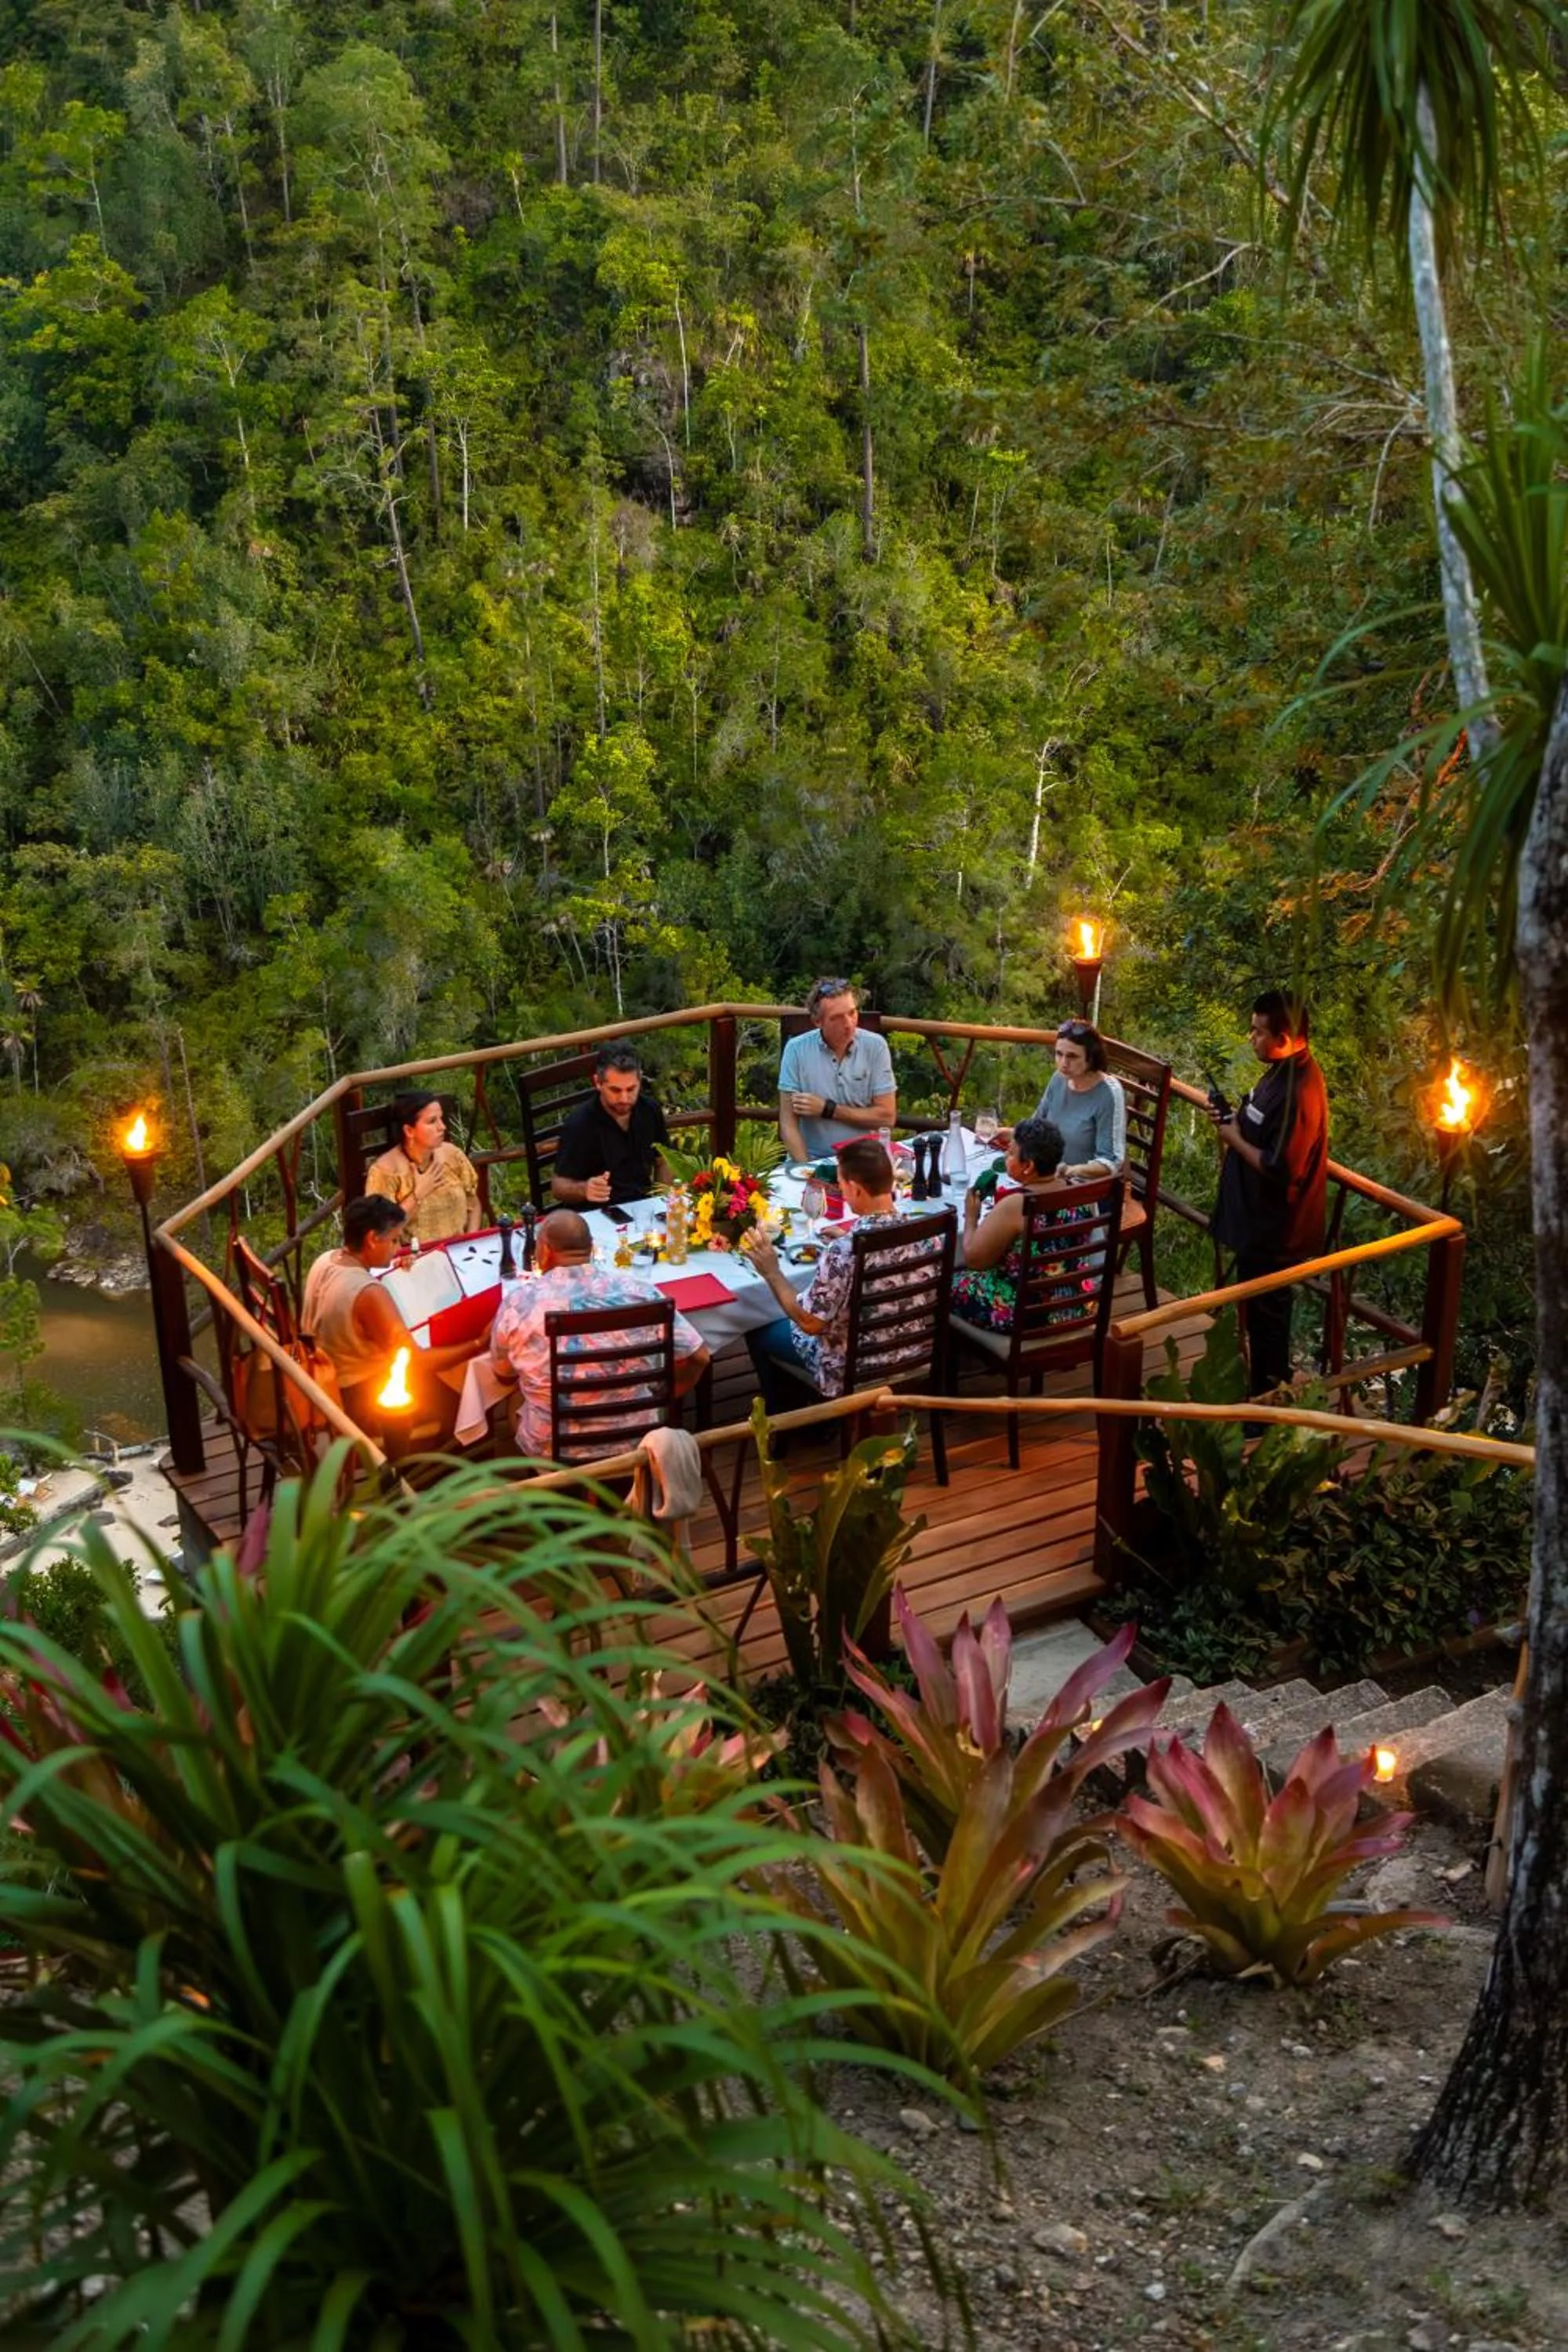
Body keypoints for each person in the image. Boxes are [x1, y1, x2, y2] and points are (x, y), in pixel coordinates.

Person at [488, 1208, 710, 1460]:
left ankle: (547, 1487)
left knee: (516, 1396)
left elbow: (502, 1374)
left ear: (545, 1250)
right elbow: (700, 1357)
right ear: (591, 1247)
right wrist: (668, 1394)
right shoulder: (641, 1293)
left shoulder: (519, 1303)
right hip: (639, 1439)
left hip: (555, 1449)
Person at [742, 1138, 930, 1410]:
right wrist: (849, 1238)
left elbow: (810, 1323)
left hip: (852, 1367)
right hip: (911, 1352)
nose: (840, 1192)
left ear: (855, 1188)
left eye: (841, 1186)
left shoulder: (845, 1251)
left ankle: (791, 1423)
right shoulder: (925, 1234)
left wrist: (772, 1272)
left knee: (759, 1330)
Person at [1207, 988, 1330, 1396]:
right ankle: (1257, 1391)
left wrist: (1232, 1137)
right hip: (1253, 1220)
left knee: (1269, 1321)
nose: (1252, 1038)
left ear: (1287, 1038)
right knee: (1256, 1315)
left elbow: (1284, 1168)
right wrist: (1232, 1120)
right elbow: (1259, 1123)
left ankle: (1266, 1405)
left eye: (1260, 1032)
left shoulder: (1301, 1090)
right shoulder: (1278, 1072)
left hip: (1276, 1230)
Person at [301, 1194, 483, 1436]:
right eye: (395, 1241)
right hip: (364, 1401)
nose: (399, 1249)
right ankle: (447, 1458)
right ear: (372, 1239)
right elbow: (415, 1360)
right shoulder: (368, 1293)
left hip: (326, 1380)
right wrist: (479, 1343)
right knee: (463, 1385)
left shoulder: (326, 1260)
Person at [950, 1116, 1094, 1330]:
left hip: (1028, 1315)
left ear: (1028, 1166)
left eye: (1011, 1153)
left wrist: (971, 1218)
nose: (1006, 1155)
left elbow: (974, 1259)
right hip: (1074, 1304)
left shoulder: (1017, 1206)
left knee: (947, 1279)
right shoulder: (1080, 1194)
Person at [777, 979, 896, 1161]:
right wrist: (806, 1169)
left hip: (864, 1159)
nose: (848, 1023)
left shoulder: (875, 1046)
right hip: (812, 1158)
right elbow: (788, 1124)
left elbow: (887, 1117)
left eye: (852, 1013)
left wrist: (829, 1109)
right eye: (837, 1017)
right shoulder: (796, 1050)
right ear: (818, 1021)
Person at [550, 1041, 672, 1206]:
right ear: (598, 1083)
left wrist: (662, 1201)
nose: (624, 1099)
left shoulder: (650, 1110)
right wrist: (584, 1189)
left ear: (640, 1081)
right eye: (615, 1090)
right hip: (597, 1213)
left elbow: (663, 1161)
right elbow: (558, 1187)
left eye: (631, 1089)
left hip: (642, 1208)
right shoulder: (580, 1124)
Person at [1007, 1018, 1126, 1178]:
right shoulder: (1059, 1078)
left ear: (1091, 1058)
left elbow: (1111, 1162)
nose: (1063, 1063)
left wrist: (1071, 1170)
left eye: (1072, 1056)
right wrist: (1007, 1134)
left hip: (1079, 1186)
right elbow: (1036, 1126)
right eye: (1059, 1054)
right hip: (1043, 1176)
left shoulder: (1108, 1093)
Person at [365, 1091, 481, 1245]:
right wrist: (417, 1195)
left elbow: (473, 1203)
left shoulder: (452, 1155)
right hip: (413, 1259)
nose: (442, 1127)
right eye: (432, 1121)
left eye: (441, 1119)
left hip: (459, 1251)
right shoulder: (386, 1172)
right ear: (409, 1131)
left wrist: (470, 1241)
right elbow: (382, 1232)